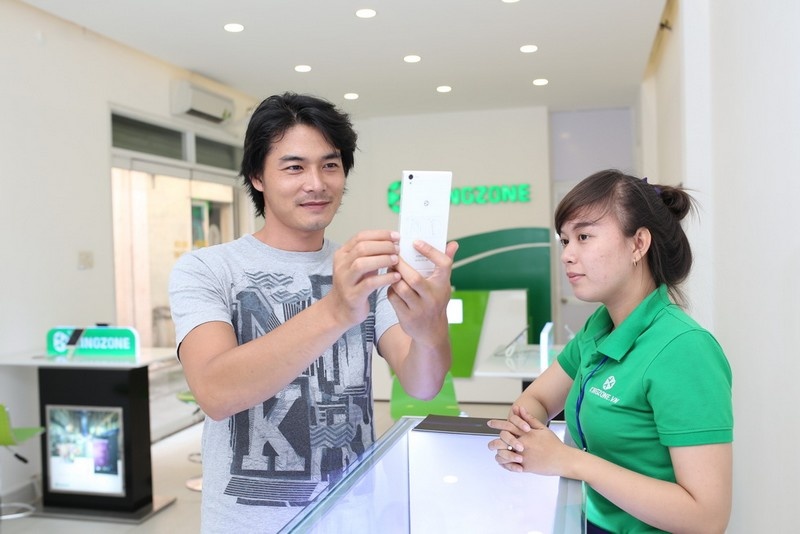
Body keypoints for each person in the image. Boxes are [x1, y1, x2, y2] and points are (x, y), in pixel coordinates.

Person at [169, 92, 457, 533]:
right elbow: (215, 392)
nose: (317, 183)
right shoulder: (207, 269)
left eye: (330, 165)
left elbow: (423, 384)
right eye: (294, 167)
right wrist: (336, 309)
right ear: (257, 177)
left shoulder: (367, 271)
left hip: (353, 516)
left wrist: (430, 321)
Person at [487, 169, 733, 533]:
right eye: (565, 240)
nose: (567, 255)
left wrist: (568, 461)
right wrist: (524, 434)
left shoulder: (684, 349)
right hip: (587, 521)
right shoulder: (599, 327)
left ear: (638, 244)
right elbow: (535, 399)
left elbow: (707, 518)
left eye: (583, 237)